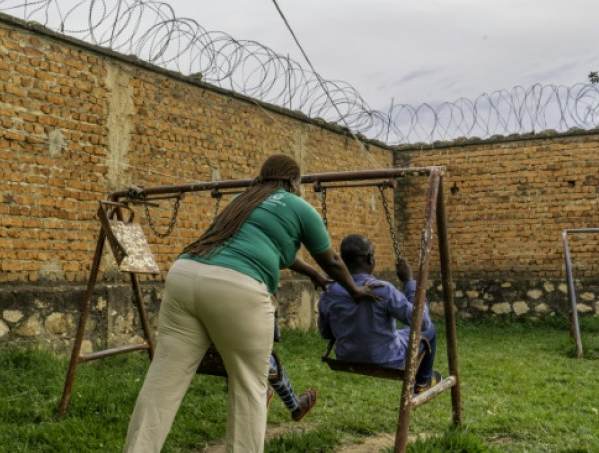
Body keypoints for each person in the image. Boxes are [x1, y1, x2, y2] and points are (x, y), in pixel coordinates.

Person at [124, 154, 378, 452]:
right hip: (237, 289)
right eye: (299, 182)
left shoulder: (243, 201)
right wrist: (355, 291)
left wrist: (311, 274)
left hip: (185, 276)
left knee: (162, 383)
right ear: (293, 181)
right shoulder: (299, 206)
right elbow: (333, 261)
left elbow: (269, 246)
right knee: (248, 389)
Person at [318, 234, 441, 394]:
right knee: (429, 329)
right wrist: (409, 281)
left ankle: (422, 381)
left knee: (398, 332)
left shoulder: (329, 291)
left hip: (345, 357)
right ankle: (423, 382)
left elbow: (325, 333)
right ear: (370, 258)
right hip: (388, 359)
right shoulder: (382, 289)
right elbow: (421, 322)